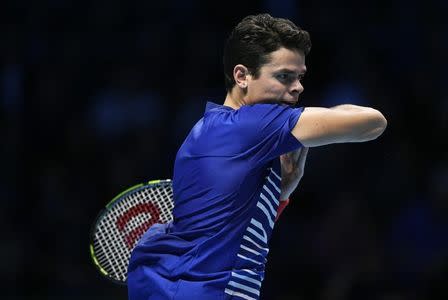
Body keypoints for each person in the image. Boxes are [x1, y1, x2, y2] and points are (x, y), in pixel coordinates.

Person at [127, 13, 387, 300]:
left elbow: (226, 232)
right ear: (242, 76)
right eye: (284, 76)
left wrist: (277, 196)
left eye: (300, 77)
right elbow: (373, 122)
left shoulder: (207, 129)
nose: (298, 86)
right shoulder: (253, 124)